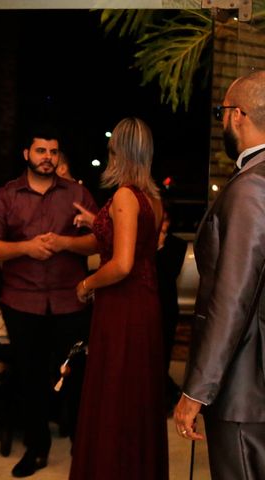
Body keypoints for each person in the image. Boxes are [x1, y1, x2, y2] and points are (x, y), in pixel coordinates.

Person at [51, 117, 167, 480]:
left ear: (120, 150)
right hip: (145, 304)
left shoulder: (124, 197)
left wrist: (87, 285)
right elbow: (124, 244)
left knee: (114, 396)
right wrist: (88, 227)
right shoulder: (152, 198)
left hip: (123, 305)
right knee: (134, 396)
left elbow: (121, 264)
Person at [0, 125, 96, 478]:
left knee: (77, 377)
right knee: (30, 379)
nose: (47, 158)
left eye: (52, 151)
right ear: (27, 154)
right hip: (22, 302)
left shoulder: (77, 193)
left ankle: (84, 450)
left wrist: (66, 243)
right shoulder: (7, 196)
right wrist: (27, 248)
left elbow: (99, 241)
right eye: (40, 151)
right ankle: (36, 449)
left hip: (71, 301)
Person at [174, 70, 265, 479]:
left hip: (245, 388)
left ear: (239, 115)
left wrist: (197, 390)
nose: (222, 120)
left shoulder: (252, 187)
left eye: (221, 112)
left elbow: (233, 295)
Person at [155, 199, 187, 413]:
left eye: (165, 220)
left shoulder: (178, 244)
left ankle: (162, 400)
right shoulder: (142, 242)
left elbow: (168, 274)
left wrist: (159, 247)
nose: (162, 225)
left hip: (166, 305)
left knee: (164, 352)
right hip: (145, 304)